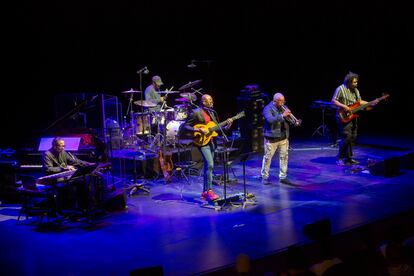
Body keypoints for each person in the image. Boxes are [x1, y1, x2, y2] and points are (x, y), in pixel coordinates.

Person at [183, 94, 232, 202]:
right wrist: (198, 130)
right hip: (202, 142)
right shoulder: (196, 112)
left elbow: (216, 129)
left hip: (211, 141)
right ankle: (209, 191)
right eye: (209, 100)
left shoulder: (212, 112)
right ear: (203, 101)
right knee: (210, 164)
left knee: (208, 167)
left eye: (212, 99)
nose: (211, 101)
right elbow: (185, 126)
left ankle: (205, 192)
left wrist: (227, 126)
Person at [331, 71, 378, 166]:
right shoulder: (340, 88)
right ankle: (340, 158)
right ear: (349, 82)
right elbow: (333, 101)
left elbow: (359, 102)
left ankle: (348, 158)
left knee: (353, 137)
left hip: (353, 116)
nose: (356, 83)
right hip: (342, 116)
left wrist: (371, 102)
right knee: (346, 137)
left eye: (356, 82)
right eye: (354, 82)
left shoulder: (356, 90)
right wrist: (344, 106)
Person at [42, 137, 95, 211]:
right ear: (54, 146)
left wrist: (88, 164)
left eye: (64, 146)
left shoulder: (63, 152)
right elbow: (48, 169)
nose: (63, 148)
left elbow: (75, 161)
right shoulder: (47, 154)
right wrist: (62, 169)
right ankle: (66, 209)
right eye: (61, 146)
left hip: (64, 178)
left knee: (81, 182)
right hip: (53, 179)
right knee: (68, 186)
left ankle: (83, 208)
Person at [260, 92, 292, 185]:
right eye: (281, 101)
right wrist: (283, 115)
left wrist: (292, 119)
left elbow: (288, 120)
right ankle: (264, 177)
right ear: (275, 101)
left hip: (283, 137)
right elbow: (270, 120)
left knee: (284, 157)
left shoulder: (283, 108)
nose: (283, 103)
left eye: (284, 101)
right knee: (267, 159)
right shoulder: (267, 109)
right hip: (271, 139)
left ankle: (283, 176)